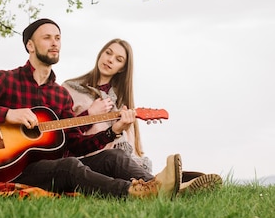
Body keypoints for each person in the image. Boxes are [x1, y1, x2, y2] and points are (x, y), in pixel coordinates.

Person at [0, 18, 182, 199]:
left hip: (50, 167)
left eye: (58, 38)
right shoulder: (6, 79)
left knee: (116, 157)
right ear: (30, 45)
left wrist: (114, 131)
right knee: (69, 167)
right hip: (14, 169)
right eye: (47, 38)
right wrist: (8, 115)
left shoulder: (60, 95)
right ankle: (132, 193)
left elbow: (76, 144)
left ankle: (167, 189)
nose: (54, 43)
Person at [63, 39, 223, 195]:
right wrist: (89, 113)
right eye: (108, 53)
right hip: (84, 163)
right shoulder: (70, 89)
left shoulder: (120, 103)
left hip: (112, 165)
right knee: (116, 157)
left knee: (120, 158)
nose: (110, 60)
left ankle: (175, 184)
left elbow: (129, 146)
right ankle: (169, 186)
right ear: (101, 54)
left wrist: (120, 129)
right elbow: (62, 132)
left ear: (121, 69)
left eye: (118, 59)